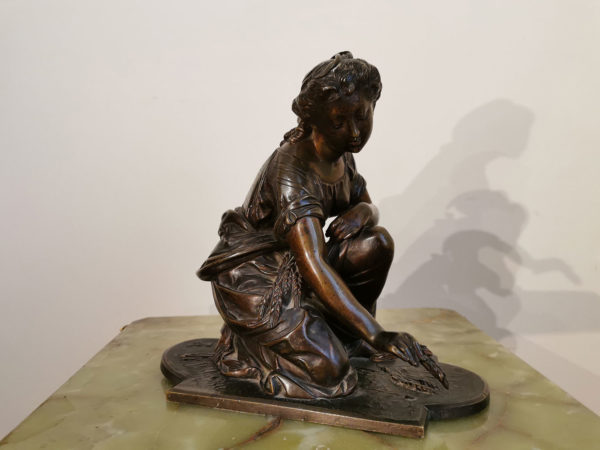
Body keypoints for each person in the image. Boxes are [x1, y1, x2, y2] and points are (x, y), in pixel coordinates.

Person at [199, 52, 447, 399]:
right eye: (338, 122)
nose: (354, 132)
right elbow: (313, 262)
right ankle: (250, 349)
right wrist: (377, 333)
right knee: (330, 374)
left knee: (375, 243)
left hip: (298, 266)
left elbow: (364, 204)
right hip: (256, 278)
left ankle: (345, 334)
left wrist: (365, 212)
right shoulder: (293, 169)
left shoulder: (342, 153)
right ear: (314, 120)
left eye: (362, 116)